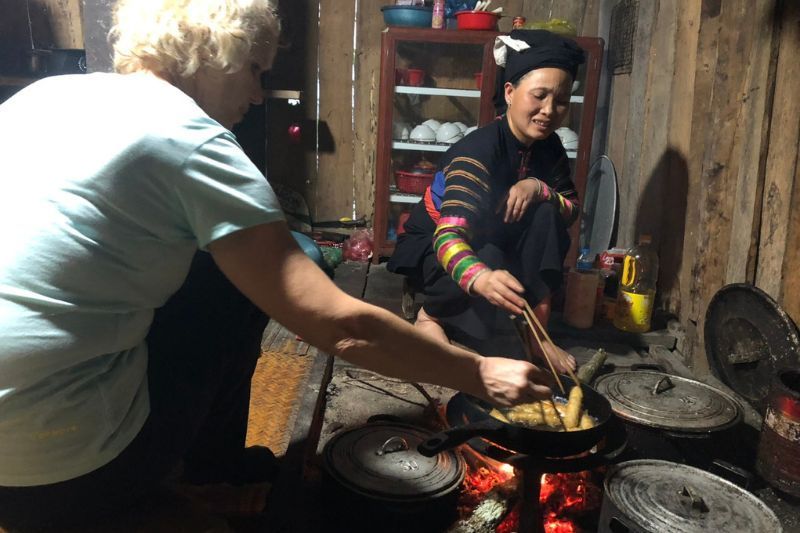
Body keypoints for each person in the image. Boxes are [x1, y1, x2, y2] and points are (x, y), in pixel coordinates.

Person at [0, 1, 557, 529]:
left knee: (239, 267)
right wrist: (478, 371)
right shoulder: (190, 141)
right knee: (242, 285)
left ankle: (200, 461)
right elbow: (339, 325)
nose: (259, 94)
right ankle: (204, 474)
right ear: (220, 53)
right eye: (255, 70)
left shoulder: (43, 96)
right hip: (61, 471)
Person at [388, 30, 585, 372]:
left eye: (562, 101)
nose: (549, 111)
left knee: (547, 217)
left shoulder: (550, 146)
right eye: (539, 96)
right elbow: (449, 238)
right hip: (436, 246)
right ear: (510, 93)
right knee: (489, 258)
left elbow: (571, 210)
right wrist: (481, 277)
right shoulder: (477, 152)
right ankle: (430, 315)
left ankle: (537, 334)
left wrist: (537, 187)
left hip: (493, 235)